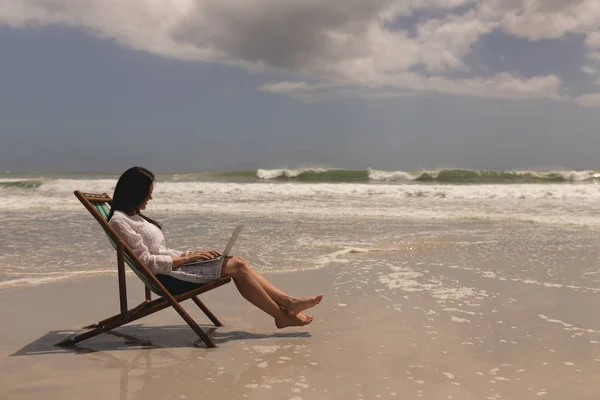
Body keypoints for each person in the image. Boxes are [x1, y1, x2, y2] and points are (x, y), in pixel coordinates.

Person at [107, 166, 322, 328]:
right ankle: (282, 313)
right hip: (168, 279)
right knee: (237, 266)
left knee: (239, 261)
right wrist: (188, 260)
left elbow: (160, 251)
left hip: (175, 269)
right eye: (147, 192)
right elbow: (147, 263)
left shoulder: (134, 216)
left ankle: (287, 305)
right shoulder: (119, 221)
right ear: (134, 192)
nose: (150, 197)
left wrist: (191, 255)